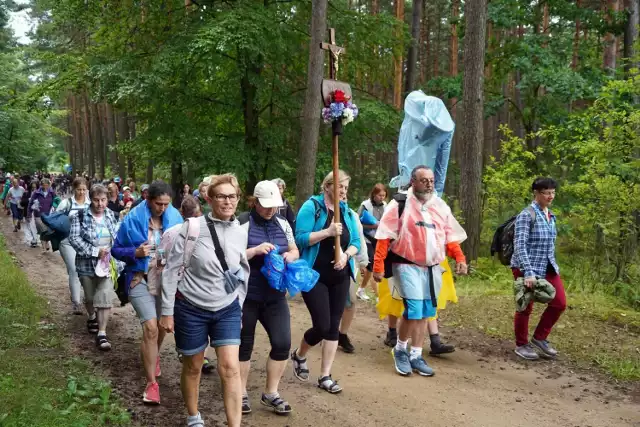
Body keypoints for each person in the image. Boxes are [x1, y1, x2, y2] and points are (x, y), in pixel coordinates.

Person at [161, 173, 249, 427]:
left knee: (231, 367)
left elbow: (243, 272)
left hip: (227, 308)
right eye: (221, 196)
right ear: (209, 199)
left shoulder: (241, 230)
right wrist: (167, 312)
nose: (227, 201)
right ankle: (193, 416)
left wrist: (239, 307)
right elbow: (171, 270)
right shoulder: (192, 228)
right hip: (191, 307)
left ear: (238, 199)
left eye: (232, 196)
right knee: (193, 365)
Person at [373, 166, 468, 377]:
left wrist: (459, 258)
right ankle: (400, 350)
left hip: (433, 267)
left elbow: (449, 236)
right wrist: (378, 265)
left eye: (432, 180)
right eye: (424, 180)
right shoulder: (399, 204)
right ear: (413, 182)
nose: (429, 184)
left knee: (426, 311)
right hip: (406, 264)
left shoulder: (440, 206)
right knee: (414, 309)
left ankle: (416, 355)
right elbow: (384, 236)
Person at [112, 181, 183, 404]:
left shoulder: (175, 218)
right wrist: (135, 252)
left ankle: (153, 354)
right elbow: (116, 249)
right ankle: (151, 384)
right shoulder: (133, 218)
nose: (162, 208)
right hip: (139, 278)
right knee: (151, 328)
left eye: (165, 204)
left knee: (161, 326)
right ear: (148, 199)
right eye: (158, 203)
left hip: (166, 280)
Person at [291, 170, 361, 394]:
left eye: (346, 188)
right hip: (315, 275)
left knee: (333, 326)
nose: (343, 192)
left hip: (340, 276)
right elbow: (300, 238)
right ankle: (300, 354)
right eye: (340, 187)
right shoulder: (312, 206)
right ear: (327, 186)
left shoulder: (347, 211)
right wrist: (327, 231)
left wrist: (346, 255)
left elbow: (356, 241)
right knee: (322, 325)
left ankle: (325, 376)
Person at [238, 181, 298, 415]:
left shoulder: (283, 223)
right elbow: (229, 256)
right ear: (254, 202)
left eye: (274, 206)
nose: (271, 210)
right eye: (266, 206)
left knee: (283, 343)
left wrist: (290, 256)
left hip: (275, 294)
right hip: (247, 296)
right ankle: (241, 392)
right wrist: (254, 251)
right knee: (244, 346)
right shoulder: (242, 222)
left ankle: (271, 392)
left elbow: (294, 249)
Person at [511, 177, 565, 361]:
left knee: (559, 303)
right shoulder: (527, 215)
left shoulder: (550, 215)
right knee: (525, 306)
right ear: (536, 193)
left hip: (548, 266)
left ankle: (540, 338)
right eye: (546, 192)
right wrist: (528, 272)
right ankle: (521, 345)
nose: (550, 196)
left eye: (553, 192)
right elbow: (519, 245)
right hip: (527, 267)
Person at [68, 184, 120, 351]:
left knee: (104, 295)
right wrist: (95, 251)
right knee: (90, 298)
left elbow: (117, 237)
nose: (100, 204)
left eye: (103, 200)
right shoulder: (80, 216)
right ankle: (91, 315)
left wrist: (117, 256)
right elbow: (74, 239)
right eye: (97, 200)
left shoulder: (111, 215)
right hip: (86, 263)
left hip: (107, 264)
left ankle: (102, 333)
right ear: (91, 199)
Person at [337, 192, 369, 354]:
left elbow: (359, 239)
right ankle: (327, 331)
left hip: (348, 265)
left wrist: (363, 262)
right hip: (325, 266)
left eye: (345, 193)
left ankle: (342, 334)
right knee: (330, 302)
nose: (343, 196)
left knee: (351, 301)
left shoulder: (352, 216)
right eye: (339, 192)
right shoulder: (322, 213)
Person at [56, 177, 90, 314]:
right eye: (79, 189)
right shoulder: (66, 203)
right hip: (67, 241)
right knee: (74, 270)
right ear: (73, 189)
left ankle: (89, 299)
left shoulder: (90, 204)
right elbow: (56, 219)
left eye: (84, 189)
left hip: (85, 242)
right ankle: (76, 302)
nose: (81, 192)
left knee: (87, 272)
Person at [356, 183, 387, 301]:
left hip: (379, 238)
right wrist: (373, 225)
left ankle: (362, 289)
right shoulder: (365, 205)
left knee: (371, 266)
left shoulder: (386, 206)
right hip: (366, 238)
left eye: (384, 195)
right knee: (372, 264)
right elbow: (357, 223)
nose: (382, 198)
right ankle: (377, 294)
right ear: (374, 195)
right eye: (379, 195)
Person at [28, 177, 54, 252]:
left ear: (49, 185)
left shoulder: (51, 192)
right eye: (44, 185)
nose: (45, 187)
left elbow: (55, 200)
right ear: (41, 185)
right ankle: (44, 246)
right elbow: (30, 203)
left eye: (47, 185)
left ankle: (46, 243)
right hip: (38, 214)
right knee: (43, 230)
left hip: (48, 214)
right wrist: (29, 214)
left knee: (46, 230)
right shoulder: (36, 193)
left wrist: (55, 207)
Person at [22, 180, 40, 248]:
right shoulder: (26, 193)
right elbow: (22, 203)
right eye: (32, 187)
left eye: (35, 187)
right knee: (28, 226)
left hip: (36, 213)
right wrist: (28, 200)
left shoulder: (39, 194)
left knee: (34, 226)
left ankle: (34, 239)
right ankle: (31, 239)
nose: (34, 189)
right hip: (28, 212)